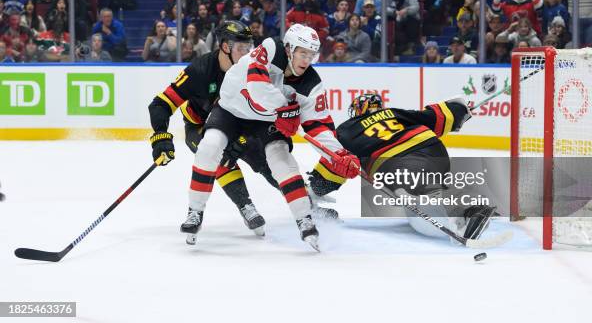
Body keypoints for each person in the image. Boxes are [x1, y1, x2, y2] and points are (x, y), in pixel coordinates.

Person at [170, 24, 360, 250]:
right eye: (302, 53)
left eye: (311, 55)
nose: (306, 60)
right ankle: (195, 211)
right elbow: (257, 86)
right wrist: (283, 109)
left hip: (266, 120)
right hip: (232, 110)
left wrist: (337, 153)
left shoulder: (312, 85)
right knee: (209, 147)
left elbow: (318, 126)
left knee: (281, 159)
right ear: (289, 48)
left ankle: (304, 218)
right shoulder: (271, 48)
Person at [148, 21, 271, 242]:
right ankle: (240, 206)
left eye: (249, 46)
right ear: (225, 47)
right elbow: (160, 104)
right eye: (241, 47)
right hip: (200, 127)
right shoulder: (200, 70)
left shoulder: (252, 71)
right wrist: (160, 137)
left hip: (238, 124)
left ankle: (307, 205)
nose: (248, 53)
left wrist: (246, 139)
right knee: (215, 155)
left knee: (267, 162)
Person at [337, 93, 493, 242]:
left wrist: (319, 189)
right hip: (435, 151)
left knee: (419, 186)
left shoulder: (348, 129)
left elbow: (334, 159)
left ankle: (469, 211)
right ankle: (468, 205)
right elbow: (437, 117)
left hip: (400, 163)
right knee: (428, 187)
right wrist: (460, 110)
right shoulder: (395, 113)